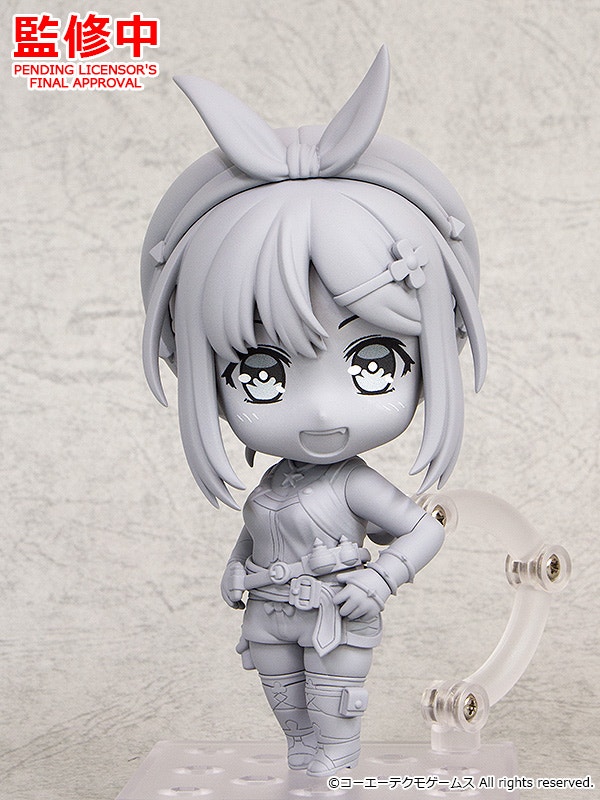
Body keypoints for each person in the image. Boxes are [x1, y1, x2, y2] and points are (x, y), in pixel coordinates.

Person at [141, 46, 486, 777]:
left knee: (333, 718)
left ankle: (333, 767)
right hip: (269, 610)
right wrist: (235, 569)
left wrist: (380, 579)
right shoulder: (272, 484)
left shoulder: (352, 483)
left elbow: (422, 528)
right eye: (261, 372)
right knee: (288, 712)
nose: (324, 406)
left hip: (335, 611)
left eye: (373, 362)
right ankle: (306, 764)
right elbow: (255, 530)